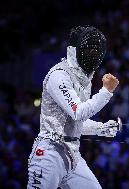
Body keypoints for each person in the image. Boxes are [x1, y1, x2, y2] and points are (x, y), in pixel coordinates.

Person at [27, 26, 119, 189]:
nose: (94, 53)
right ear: (75, 50)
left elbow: (73, 122)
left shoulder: (84, 79)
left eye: (96, 49)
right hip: (49, 154)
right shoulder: (59, 75)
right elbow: (78, 112)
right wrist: (106, 91)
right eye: (89, 48)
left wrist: (100, 128)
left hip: (72, 156)